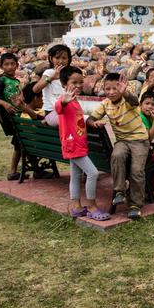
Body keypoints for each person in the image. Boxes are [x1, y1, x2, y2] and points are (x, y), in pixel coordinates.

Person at [86, 73, 149, 221]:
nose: (112, 92)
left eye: (115, 88)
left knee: (136, 170)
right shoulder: (105, 104)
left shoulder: (128, 100)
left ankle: (135, 205)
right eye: (108, 89)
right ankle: (120, 191)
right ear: (104, 89)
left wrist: (125, 92)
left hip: (139, 140)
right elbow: (90, 119)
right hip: (122, 141)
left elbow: (135, 101)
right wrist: (93, 123)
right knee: (116, 156)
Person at [55, 67, 109, 221]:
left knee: (75, 175)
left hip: (78, 144)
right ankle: (92, 207)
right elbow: (59, 108)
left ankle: (77, 207)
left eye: (81, 82)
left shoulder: (75, 101)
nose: (78, 85)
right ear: (64, 84)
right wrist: (63, 101)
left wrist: (91, 122)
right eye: (74, 82)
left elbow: (76, 118)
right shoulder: (65, 100)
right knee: (93, 173)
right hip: (73, 145)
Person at [0, 53, 39, 180]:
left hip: (18, 115)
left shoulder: (16, 81)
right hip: (9, 117)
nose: (10, 67)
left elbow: (19, 96)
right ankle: (33, 170)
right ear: (1, 66)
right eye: (6, 64)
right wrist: (5, 104)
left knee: (21, 143)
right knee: (21, 142)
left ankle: (15, 171)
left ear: (17, 65)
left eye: (12, 64)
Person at [33, 44, 71, 127]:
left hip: (66, 110)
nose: (61, 61)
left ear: (68, 60)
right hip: (52, 112)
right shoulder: (49, 73)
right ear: (51, 59)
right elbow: (36, 89)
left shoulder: (69, 74)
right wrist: (51, 78)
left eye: (64, 58)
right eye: (57, 58)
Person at [139, 91, 154, 201]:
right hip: (137, 154)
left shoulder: (145, 116)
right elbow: (149, 138)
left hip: (138, 151)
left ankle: (147, 187)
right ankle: (150, 189)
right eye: (147, 103)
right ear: (140, 105)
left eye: (153, 104)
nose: (150, 106)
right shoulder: (141, 118)